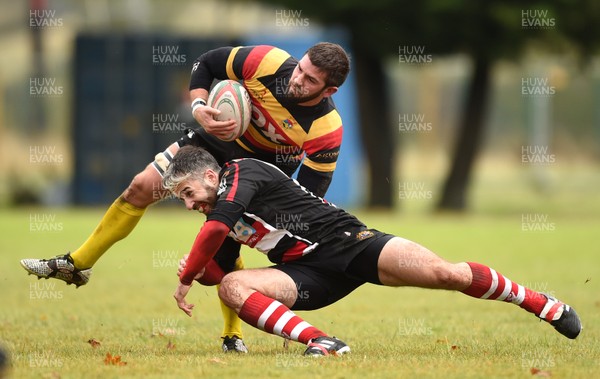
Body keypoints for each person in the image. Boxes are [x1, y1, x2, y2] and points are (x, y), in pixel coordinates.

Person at [20, 42, 351, 353]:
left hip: (260, 170)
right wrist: (200, 107)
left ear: (329, 90)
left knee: (228, 239)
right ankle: (77, 264)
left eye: (310, 80)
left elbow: (308, 195)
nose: (298, 79)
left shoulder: (326, 128)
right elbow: (206, 63)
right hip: (214, 141)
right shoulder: (268, 62)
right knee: (141, 186)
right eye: (301, 69)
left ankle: (232, 335)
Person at [163, 145, 582, 356]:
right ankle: (324, 344)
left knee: (445, 274)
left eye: (187, 192)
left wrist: (184, 278)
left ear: (208, 174)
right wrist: (201, 275)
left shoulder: (241, 172)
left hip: (348, 244)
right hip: (310, 276)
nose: (188, 204)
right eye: (180, 199)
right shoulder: (216, 217)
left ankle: (541, 303)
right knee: (232, 287)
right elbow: (224, 276)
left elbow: (217, 226)